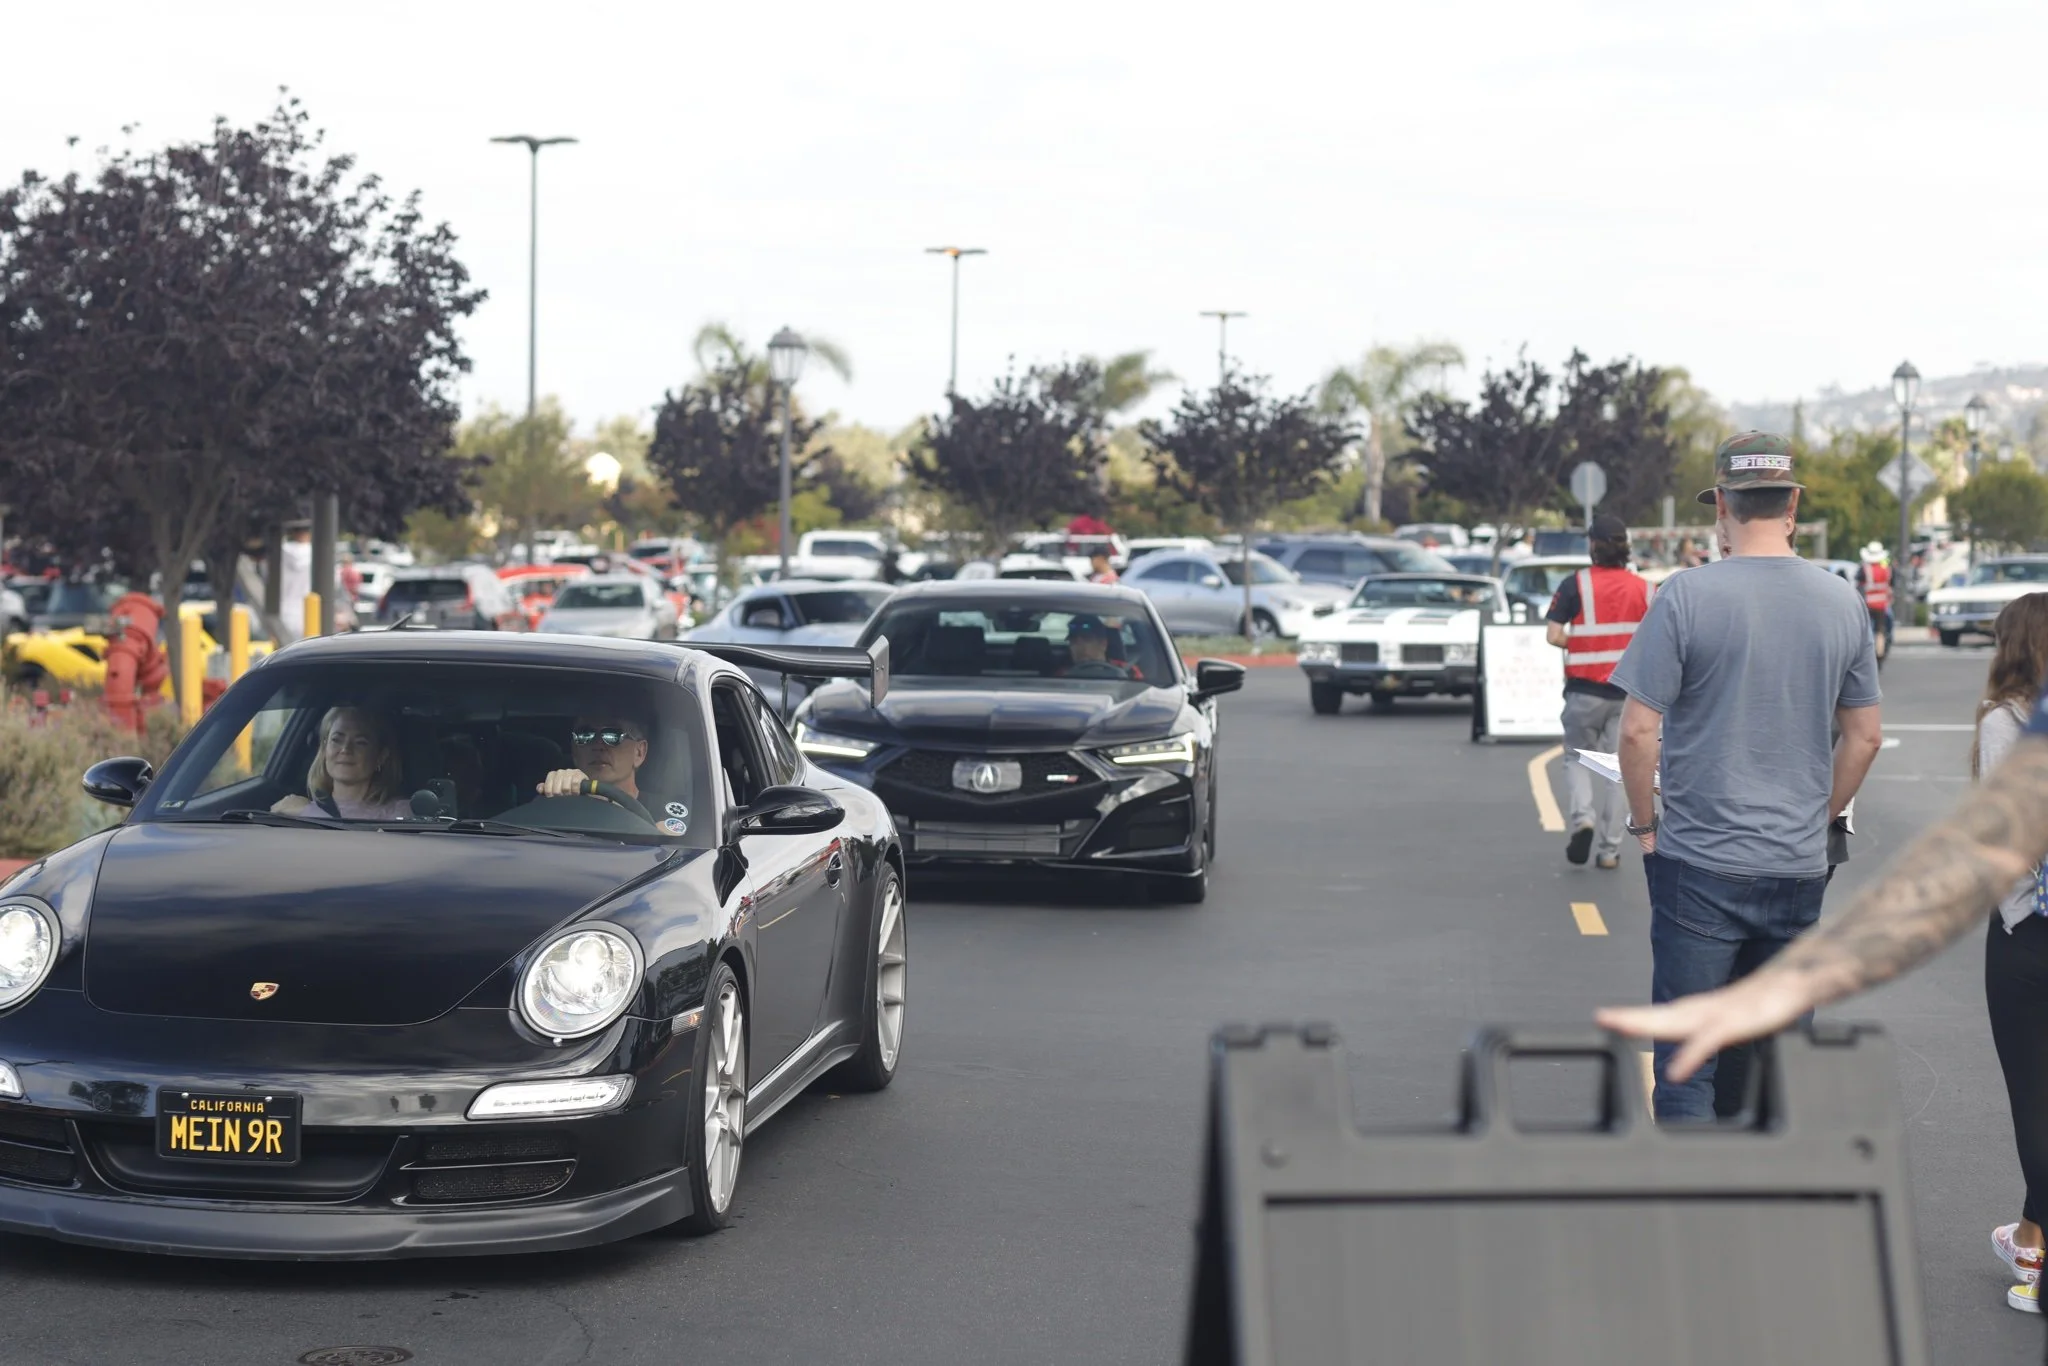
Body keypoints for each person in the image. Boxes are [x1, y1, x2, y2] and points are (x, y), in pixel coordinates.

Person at [1607, 431, 1884, 1121]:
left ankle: (1697, 1188)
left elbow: (1637, 732)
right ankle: (1767, 1181)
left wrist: (1645, 827)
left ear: (1724, 507)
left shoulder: (1686, 596)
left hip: (1700, 860)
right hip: (1796, 866)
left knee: (1688, 1064)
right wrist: (1817, 817)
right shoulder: (1841, 601)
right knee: (1776, 1063)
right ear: (1791, 506)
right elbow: (1865, 736)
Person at [1966, 595, 2048, 1312]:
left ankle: (2037, 1271)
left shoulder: (2008, 719)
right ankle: (2027, 1239)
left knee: (2034, 1100)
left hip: (2031, 929)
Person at [1545, 512, 1653, 870]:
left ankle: (1583, 820)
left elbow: (1553, 635)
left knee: (1576, 757)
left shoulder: (1575, 585)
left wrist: (1582, 645)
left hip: (1584, 691)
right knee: (1618, 770)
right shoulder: (1645, 590)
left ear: (1592, 545)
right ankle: (1609, 851)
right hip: (1628, 696)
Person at [274, 706, 411, 821]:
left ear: (381, 756)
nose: (345, 749)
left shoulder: (399, 812)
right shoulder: (294, 809)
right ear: (324, 749)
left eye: (360, 742)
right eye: (336, 740)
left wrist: (309, 812)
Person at [1857, 541, 1895, 662]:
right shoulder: (1886, 570)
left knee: (1866, 629)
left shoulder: (1864, 570)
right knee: (1880, 630)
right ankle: (1880, 653)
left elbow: (1859, 585)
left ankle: (1866, 652)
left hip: (1867, 604)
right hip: (1882, 605)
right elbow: (1891, 585)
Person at [1060, 618, 1133, 679]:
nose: (1079, 646)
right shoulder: (1062, 675)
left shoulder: (1129, 671)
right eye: (1073, 641)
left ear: (1103, 644)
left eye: (1086, 640)